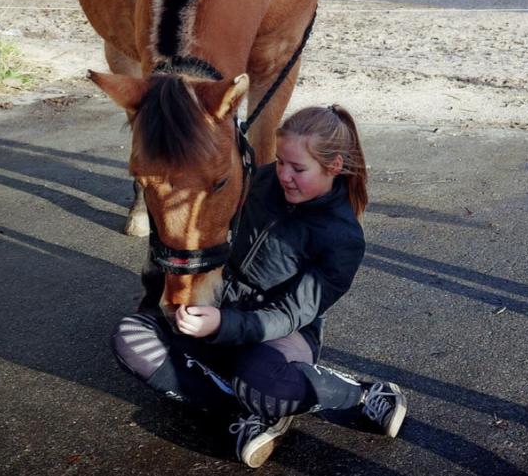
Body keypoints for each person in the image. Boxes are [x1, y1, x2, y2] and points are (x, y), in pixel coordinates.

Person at [111, 105, 407, 468]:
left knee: (263, 381)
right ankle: (250, 410)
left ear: (334, 166)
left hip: (278, 336)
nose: (284, 175)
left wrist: (220, 325)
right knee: (131, 336)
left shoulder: (343, 238)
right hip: (219, 309)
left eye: (298, 168)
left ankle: (362, 397)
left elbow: (289, 314)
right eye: (281, 161)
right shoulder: (260, 180)